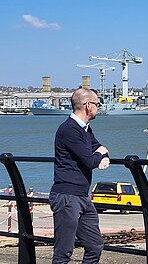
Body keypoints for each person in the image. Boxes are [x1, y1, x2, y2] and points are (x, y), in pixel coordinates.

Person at [49, 88, 110, 264]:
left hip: (82, 196)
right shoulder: (69, 129)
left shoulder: (85, 129)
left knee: (95, 244)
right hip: (67, 196)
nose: (99, 107)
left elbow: (98, 147)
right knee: (64, 251)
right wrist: (100, 156)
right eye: (97, 104)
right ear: (88, 106)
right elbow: (90, 160)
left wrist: (102, 156)